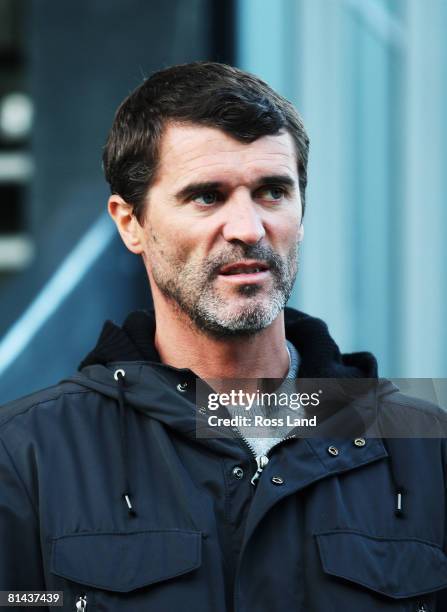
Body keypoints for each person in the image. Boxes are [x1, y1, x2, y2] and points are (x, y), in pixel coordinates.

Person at [1, 61, 446, 612]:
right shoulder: (25, 457)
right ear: (130, 223)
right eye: (207, 196)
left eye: (272, 192)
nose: (249, 228)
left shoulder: (429, 450)